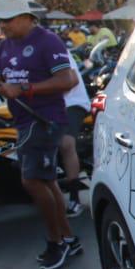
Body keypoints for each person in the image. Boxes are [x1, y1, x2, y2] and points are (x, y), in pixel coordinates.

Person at [0, 0, 82, 269]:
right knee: (47, 181)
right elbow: (0, 85)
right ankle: (69, 238)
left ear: (25, 17)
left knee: (32, 181)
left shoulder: (46, 41)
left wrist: (26, 89)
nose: (2, 26)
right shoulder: (5, 46)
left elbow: (67, 80)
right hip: (22, 120)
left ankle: (57, 242)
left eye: (7, 20)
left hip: (44, 119)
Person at [60, 65, 92, 218]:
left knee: (66, 143)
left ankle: (75, 198)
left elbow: (69, 82)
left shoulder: (51, 45)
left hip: (70, 102)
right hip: (43, 105)